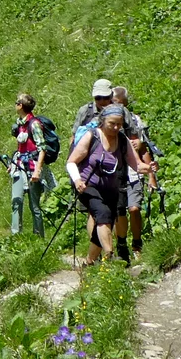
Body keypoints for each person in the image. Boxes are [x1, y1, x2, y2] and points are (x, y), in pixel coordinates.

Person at [65, 104, 155, 265]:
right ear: (103, 121)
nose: (115, 127)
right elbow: (71, 162)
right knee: (103, 215)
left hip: (110, 188)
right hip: (87, 185)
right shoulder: (91, 136)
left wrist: (149, 168)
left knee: (106, 222)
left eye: (119, 124)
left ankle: (89, 262)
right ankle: (110, 256)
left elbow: (136, 165)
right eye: (112, 123)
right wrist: (77, 180)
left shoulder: (122, 139)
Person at [112, 85, 161, 255]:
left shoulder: (134, 120)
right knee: (119, 211)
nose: (117, 106)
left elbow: (143, 149)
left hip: (134, 172)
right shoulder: (107, 123)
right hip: (114, 173)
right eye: (114, 103)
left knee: (134, 208)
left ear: (125, 103)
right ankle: (121, 244)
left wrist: (151, 176)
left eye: (119, 103)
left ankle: (137, 243)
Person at [8, 93, 55, 236]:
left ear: (21, 106)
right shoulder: (20, 124)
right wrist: (13, 163)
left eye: (17, 103)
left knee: (34, 205)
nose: (15, 105)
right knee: (16, 201)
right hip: (19, 166)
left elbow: (42, 148)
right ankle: (16, 235)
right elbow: (22, 147)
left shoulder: (34, 124)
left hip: (32, 167)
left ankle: (38, 236)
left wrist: (37, 171)